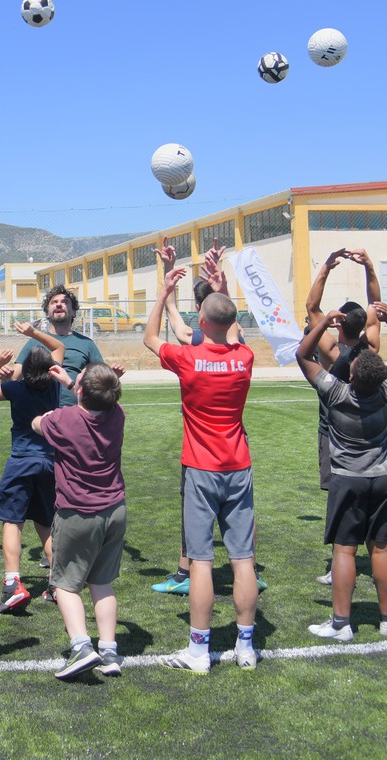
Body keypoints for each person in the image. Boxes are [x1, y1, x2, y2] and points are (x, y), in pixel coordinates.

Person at [144, 269, 261, 672]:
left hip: (200, 468)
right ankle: (246, 645)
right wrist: (223, 291)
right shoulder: (244, 359)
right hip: (238, 465)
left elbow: (149, 338)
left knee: (201, 561)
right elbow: (235, 333)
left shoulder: (189, 359)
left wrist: (163, 293)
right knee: (243, 559)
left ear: (203, 322)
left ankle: (199, 650)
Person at [296, 302, 387, 642]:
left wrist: (323, 323)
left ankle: (341, 623)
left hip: (348, 480)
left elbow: (304, 355)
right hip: (384, 479)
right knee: (383, 548)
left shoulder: (335, 393)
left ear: (351, 373)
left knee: (344, 550)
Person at [33, 363, 127, 680]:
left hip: (77, 511)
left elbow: (38, 424)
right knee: (102, 582)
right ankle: (110, 651)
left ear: (81, 391)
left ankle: (81, 646)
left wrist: (73, 390)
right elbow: (103, 402)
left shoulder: (64, 420)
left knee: (64, 583)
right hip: (114, 509)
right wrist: (81, 385)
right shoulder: (118, 415)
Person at [305, 248, 383, 585]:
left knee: (341, 496)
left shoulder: (333, 352)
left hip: (335, 433)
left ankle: (341, 558)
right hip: (373, 435)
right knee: (366, 493)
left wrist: (326, 267)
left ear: (338, 325)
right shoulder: (373, 350)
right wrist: (369, 267)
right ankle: (366, 547)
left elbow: (311, 308)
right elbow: (376, 310)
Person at [0, 321, 66, 613]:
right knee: (45, 523)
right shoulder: (55, 388)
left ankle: (12, 584)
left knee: (12, 520)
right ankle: (58, 583)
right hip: (50, 462)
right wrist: (33, 333)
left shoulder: (15, 390)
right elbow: (58, 346)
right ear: (50, 369)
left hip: (21, 461)